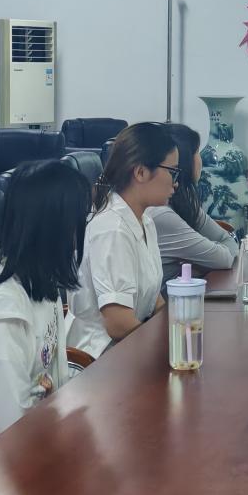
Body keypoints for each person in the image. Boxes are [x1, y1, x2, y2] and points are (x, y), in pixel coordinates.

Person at [0, 161, 90, 470]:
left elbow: (52, 377)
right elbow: (7, 420)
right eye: (78, 221)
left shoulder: (40, 282)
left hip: (37, 438)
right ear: (53, 228)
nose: (80, 232)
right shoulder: (2, 310)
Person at [67, 123, 178, 358]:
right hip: (99, 360)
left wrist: (179, 330)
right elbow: (118, 323)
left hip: (131, 347)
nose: (175, 182)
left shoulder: (144, 220)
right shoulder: (112, 228)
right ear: (140, 172)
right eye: (172, 171)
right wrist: (168, 348)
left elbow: (153, 299)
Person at [145, 124, 237, 292]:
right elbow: (224, 259)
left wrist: (193, 265)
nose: (201, 159)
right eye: (197, 152)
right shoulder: (161, 214)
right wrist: (200, 263)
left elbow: (228, 241)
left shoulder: (186, 203)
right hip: (166, 305)